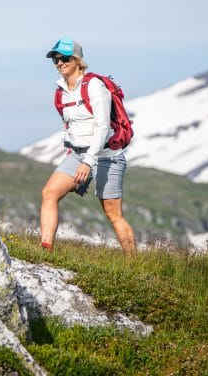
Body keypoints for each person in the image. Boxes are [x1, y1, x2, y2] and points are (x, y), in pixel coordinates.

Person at [40, 38, 137, 256]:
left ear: (77, 60)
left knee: (112, 213)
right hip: (78, 154)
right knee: (49, 193)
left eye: (64, 58)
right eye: (55, 60)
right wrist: (74, 153)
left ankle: (135, 264)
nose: (59, 63)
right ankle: (44, 250)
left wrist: (88, 162)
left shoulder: (94, 86)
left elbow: (102, 127)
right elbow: (71, 125)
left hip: (106, 155)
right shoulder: (61, 90)